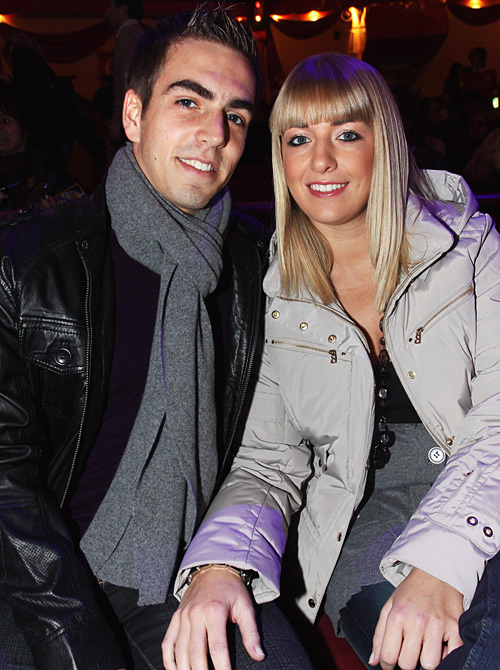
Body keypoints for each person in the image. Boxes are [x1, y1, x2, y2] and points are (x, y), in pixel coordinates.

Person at [0, 7, 313, 670]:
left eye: (235, 116)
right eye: (189, 101)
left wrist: (221, 560)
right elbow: (6, 480)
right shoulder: (28, 264)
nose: (214, 134)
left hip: (184, 562)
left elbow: (276, 442)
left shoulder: (259, 268)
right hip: (32, 575)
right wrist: (74, 636)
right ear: (134, 115)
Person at [164, 52, 500, 670]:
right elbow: (268, 459)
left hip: (482, 493)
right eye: (298, 139)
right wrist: (218, 566)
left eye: (346, 134)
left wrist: (440, 562)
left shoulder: (471, 247)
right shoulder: (275, 291)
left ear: (384, 145)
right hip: (362, 526)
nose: (320, 160)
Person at [105, 0, 145, 144]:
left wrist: (118, 118)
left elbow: (125, 80)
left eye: (110, 7)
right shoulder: (135, 32)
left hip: (130, 115)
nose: (106, 13)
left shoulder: (128, 33)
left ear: (123, 8)